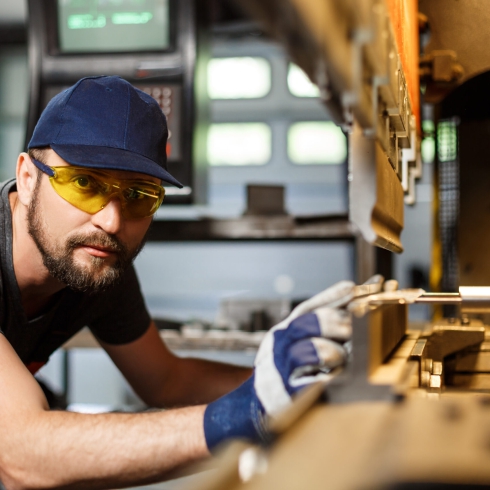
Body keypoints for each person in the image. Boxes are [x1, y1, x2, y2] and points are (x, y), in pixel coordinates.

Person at [0, 75, 353, 489]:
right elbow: (21, 454)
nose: (111, 221)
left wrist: (296, 378)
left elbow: (166, 380)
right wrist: (243, 415)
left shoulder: (96, 261)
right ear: (27, 178)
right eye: (84, 184)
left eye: (139, 196)